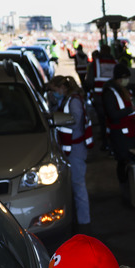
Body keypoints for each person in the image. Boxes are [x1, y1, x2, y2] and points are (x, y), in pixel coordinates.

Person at [49, 75, 93, 233]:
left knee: (78, 186)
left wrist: (58, 118)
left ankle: (84, 224)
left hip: (75, 148)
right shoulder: (66, 100)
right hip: (71, 148)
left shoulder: (73, 101)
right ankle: (80, 220)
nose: (54, 94)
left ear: (63, 88)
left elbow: (74, 121)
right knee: (75, 185)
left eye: (54, 91)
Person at [102, 63, 135, 195]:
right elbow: (113, 114)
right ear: (119, 78)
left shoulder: (126, 90)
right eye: (125, 78)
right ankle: (125, 188)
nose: (127, 81)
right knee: (123, 161)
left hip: (132, 132)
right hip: (120, 135)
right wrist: (131, 109)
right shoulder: (110, 92)